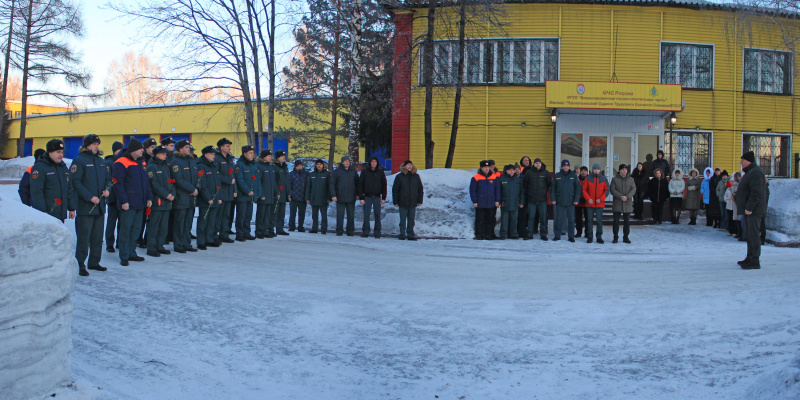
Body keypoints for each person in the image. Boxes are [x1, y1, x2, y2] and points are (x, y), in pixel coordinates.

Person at [71, 134, 112, 277]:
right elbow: (75, 182)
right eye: (94, 144)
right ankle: (80, 264)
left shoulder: (101, 162)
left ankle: (94, 262)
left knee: (97, 237)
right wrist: (89, 197)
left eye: (98, 144)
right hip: (86, 206)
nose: (97, 146)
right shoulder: (79, 160)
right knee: (84, 238)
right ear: (87, 145)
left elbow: (108, 179)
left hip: (100, 206)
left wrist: (108, 189)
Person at [112, 138, 152, 266]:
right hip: (128, 203)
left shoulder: (142, 162)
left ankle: (132, 252)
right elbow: (118, 183)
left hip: (140, 202)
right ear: (134, 150)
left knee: (136, 229)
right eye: (140, 149)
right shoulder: (121, 162)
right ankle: (124, 255)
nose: (142, 151)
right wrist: (123, 201)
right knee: (126, 229)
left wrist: (149, 198)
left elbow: (146, 182)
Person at [30, 139, 76, 223]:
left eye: (62, 152)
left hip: (60, 213)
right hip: (47, 214)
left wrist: (71, 208)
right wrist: (42, 212)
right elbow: (36, 192)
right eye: (58, 152)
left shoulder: (63, 167)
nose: (61, 155)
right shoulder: (40, 167)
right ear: (50, 153)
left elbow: (69, 189)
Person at [736, 151, 766, 269]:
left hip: (753, 210)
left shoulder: (756, 173)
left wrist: (749, 207)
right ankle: (749, 257)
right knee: (749, 234)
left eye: (742, 160)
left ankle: (755, 260)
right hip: (749, 210)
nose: (741, 162)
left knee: (753, 235)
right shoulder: (750, 172)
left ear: (749, 161)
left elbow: (756, 193)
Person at [169, 139, 199, 253]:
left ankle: (187, 243)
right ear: (180, 149)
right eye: (186, 147)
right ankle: (179, 245)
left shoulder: (191, 161)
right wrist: (192, 189)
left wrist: (196, 188)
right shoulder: (175, 162)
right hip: (182, 197)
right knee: (179, 222)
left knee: (188, 222)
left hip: (192, 197)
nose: (189, 149)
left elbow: (197, 177)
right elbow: (178, 180)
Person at [145, 145, 174, 258]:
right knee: (154, 225)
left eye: (166, 154)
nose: (165, 156)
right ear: (157, 154)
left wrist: (172, 194)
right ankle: (151, 247)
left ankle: (160, 245)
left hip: (167, 201)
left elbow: (171, 182)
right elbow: (154, 184)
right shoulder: (152, 167)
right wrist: (166, 195)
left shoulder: (166, 167)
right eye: (163, 154)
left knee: (163, 226)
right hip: (157, 201)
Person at [195, 146, 222, 250]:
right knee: (203, 220)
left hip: (214, 197)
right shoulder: (201, 166)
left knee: (212, 220)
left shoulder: (214, 165)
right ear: (205, 155)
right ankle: (201, 241)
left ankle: (209, 239)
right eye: (211, 154)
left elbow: (218, 183)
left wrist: (219, 197)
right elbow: (202, 184)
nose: (213, 156)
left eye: (214, 154)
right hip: (206, 199)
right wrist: (207, 198)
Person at [392, 160, 423, 240]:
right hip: (403, 202)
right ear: (404, 166)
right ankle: (402, 234)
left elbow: (420, 189)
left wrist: (420, 200)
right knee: (402, 220)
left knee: (411, 220)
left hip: (413, 202)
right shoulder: (399, 176)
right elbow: (395, 189)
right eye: (408, 165)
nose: (409, 166)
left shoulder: (416, 176)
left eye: (410, 165)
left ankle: (410, 234)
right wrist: (395, 201)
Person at [470, 160, 500, 240]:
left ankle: (488, 234)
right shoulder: (476, 177)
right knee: (479, 219)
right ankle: (479, 234)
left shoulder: (493, 177)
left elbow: (497, 190)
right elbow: (473, 190)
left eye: (488, 167)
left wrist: (497, 200)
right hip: (480, 202)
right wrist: (474, 201)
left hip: (490, 202)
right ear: (481, 168)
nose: (487, 169)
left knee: (489, 219)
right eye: (485, 167)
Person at [136, 138, 158, 249]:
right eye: (152, 147)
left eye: (155, 147)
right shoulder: (142, 159)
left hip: (153, 193)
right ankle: (138, 238)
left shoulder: (155, 159)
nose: (154, 149)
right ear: (146, 148)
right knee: (142, 218)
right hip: (144, 192)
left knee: (151, 218)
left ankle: (146, 238)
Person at [234, 145, 260, 241]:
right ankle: (240, 233)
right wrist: (247, 190)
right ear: (245, 154)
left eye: (253, 153)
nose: (252, 155)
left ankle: (247, 232)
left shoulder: (253, 165)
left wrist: (256, 192)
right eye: (250, 153)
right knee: (241, 215)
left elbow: (256, 180)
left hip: (251, 195)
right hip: (242, 195)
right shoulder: (240, 165)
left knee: (248, 215)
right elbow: (239, 180)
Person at [552, 159, 581, 242]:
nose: (566, 167)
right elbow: (553, 188)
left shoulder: (573, 176)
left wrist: (576, 199)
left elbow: (578, 188)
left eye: (567, 166)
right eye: (564, 166)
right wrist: (553, 199)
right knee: (559, 219)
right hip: (559, 201)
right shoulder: (557, 175)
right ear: (562, 167)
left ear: (569, 166)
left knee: (571, 220)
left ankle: (571, 236)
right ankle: (557, 235)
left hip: (570, 202)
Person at [359, 155, 387, 238]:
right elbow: (360, 185)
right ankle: (366, 231)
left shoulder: (381, 172)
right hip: (367, 197)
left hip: (377, 197)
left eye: (375, 162)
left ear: (377, 163)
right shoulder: (364, 172)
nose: (374, 163)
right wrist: (361, 197)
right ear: (370, 163)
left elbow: (384, 185)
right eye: (372, 161)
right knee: (366, 215)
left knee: (377, 215)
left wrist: (383, 198)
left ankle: (377, 232)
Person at [214, 138, 236, 244]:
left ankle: (224, 234)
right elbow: (216, 174)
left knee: (227, 214)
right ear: (221, 147)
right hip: (221, 190)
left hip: (229, 191)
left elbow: (233, 174)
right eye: (227, 146)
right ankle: (215, 234)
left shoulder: (230, 159)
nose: (229, 148)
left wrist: (234, 188)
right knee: (219, 214)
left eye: (229, 146)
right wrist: (228, 180)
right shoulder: (217, 159)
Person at [522, 158, 550, 241]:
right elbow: (525, 184)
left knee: (543, 217)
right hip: (532, 199)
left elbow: (548, 184)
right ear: (533, 164)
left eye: (539, 163)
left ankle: (543, 234)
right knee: (531, 217)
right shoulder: (529, 172)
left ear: (541, 164)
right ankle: (530, 234)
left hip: (542, 199)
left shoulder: (545, 173)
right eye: (536, 163)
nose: (538, 164)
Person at [330, 155, 359, 236]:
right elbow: (332, 184)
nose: (347, 162)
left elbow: (358, 183)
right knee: (340, 215)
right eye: (346, 161)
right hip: (340, 197)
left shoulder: (353, 171)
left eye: (348, 161)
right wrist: (333, 195)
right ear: (342, 162)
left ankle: (350, 231)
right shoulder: (337, 171)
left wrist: (358, 194)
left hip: (351, 197)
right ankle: (339, 230)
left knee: (351, 215)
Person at [105, 141, 124, 252]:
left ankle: (119, 242)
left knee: (122, 222)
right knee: (112, 221)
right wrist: (110, 197)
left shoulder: (122, 161)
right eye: (119, 150)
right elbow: (109, 180)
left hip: (122, 198)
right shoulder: (109, 162)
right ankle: (109, 243)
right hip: (113, 197)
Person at [583, 163, 608, 243]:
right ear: (593, 170)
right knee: (589, 221)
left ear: (600, 170)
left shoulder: (604, 178)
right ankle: (590, 236)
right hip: (590, 204)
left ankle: (599, 236)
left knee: (599, 221)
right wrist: (588, 199)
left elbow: (607, 190)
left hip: (600, 204)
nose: (596, 170)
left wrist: (601, 199)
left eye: (597, 169)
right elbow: (584, 190)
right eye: (595, 169)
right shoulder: (588, 178)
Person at [255, 150, 278, 239]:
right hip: (263, 195)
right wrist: (260, 194)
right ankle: (259, 231)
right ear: (263, 157)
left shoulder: (270, 167)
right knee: (261, 214)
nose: (270, 158)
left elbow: (273, 182)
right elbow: (258, 181)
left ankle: (265, 230)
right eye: (268, 156)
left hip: (270, 195)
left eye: (270, 156)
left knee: (268, 214)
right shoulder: (259, 167)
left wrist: (276, 192)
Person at [610, 164, 635, 243]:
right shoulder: (614, 179)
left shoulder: (631, 179)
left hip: (627, 203)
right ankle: (615, 237)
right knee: (616, 221)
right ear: (619, 170)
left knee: (627, 222)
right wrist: (620, 196)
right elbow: (612, 190)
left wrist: (627, 196)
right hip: (617, 203)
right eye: (623, 169)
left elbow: (633, 189)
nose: (624, 171)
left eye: (625, 169)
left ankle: (626, 237)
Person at [498, 164, 524, 240]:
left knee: (514, 220)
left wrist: (521, 202)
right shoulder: (501, 179)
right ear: (506, 171)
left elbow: (522, 192)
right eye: (510, 170)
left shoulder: (518, 180)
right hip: (504, 203)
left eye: (513, 170)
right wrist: (498, 202)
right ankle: (503, 234)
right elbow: (498, 192)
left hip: (515, 203)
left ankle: (514, 234)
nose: (512, 171)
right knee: (504, 220)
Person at [306, 159, 331, 234]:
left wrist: (329, 197)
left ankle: (324, 229)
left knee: (323, 215)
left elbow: (330, 187)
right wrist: (307, 198)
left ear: (323, 165)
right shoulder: (312, 174)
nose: (319, 165)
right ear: (315, 166)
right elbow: (308, 187)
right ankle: (314, 228)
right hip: (314, 197)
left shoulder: (326, 174)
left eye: (320, 164)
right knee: (314, 215)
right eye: (317, 164)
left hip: (323, 198)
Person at [272, 150, 291, 236]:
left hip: (284, 193)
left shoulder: (285, 167)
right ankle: (271, 228)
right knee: (275, 212)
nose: (284, 157)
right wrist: (276, 192)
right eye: (281, 156)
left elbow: (287, 181)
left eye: (284, 156)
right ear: (277, 158)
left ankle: (280, 228)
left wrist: (289, 193)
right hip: (277, 193)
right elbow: (274, 181)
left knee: (282, 212)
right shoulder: (275, 167)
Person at [289, 159, 310, 232]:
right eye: (298, 166)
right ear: (295, 166)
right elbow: (289, 185)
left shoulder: (306, 174)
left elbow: (308, 185)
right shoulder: (291, 174)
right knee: (292, 213)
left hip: (302, 197)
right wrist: (290, 194)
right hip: (294, 196)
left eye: (300, 165)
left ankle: (300, 226)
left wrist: (307, 196)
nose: (300, 167)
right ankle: (291, 226)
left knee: (302, 213)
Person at [517, 156, 533, 238]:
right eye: (525, 160)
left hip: (530, 195)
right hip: (522, 196)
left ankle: (528, 229)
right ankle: (521, 230)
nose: (526, 161)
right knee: (522, 214)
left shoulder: (532, 169)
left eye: (528, 160)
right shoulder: (520, 170)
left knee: (529, 214)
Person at [575, 166, 589, 237]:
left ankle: (587, 232)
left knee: (587, 218)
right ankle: (579, 232)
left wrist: (587, 198)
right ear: (580, 172)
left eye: (585, 171)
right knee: (578, 218)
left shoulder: (590, 179)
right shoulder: (577, 179)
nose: (583, 172)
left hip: (587, 202)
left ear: (587, 172)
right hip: (578, 202)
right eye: (582, 171)